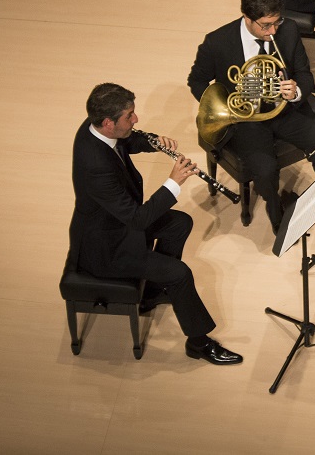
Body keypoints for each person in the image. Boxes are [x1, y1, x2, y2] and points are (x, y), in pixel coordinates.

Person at [65, 83, 243, 365]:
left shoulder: (96, 127)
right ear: (108, 122)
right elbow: (138, 219)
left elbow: (125, 141)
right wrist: (174, 181)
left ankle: (151, 293)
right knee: (180, 273)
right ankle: (198, 342)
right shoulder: (94, 165)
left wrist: (153, 141)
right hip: (106, 248)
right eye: (129, 116)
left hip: (116, 224)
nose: (135, 120)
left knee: (179, 223)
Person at [187, 0, 315, 244]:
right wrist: (225, 105)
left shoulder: (288, 29)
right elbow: (196, 80)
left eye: (276, 23)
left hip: (285, 112)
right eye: (265, 26)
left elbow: (304, 73)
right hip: (246, 121)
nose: (273, 32)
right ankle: (277, 214)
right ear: (247, 17)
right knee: (265, 169)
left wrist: (297, 90)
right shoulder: (217, 41)